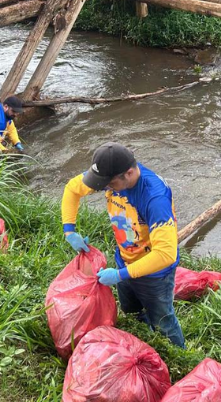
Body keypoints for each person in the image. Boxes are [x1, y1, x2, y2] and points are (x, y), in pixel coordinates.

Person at [61, 142, 185, 348]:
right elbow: (72, 189)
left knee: (163, 321)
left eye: (109, 184)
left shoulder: (154, 198)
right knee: (131, 310)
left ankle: (179, 356)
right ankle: (144, 338)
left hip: (154, 274)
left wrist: (120, 275)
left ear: (128, 173)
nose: (105, 188)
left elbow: (166, 254)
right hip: (124, 260)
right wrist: (69, 231)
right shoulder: (110, 176)